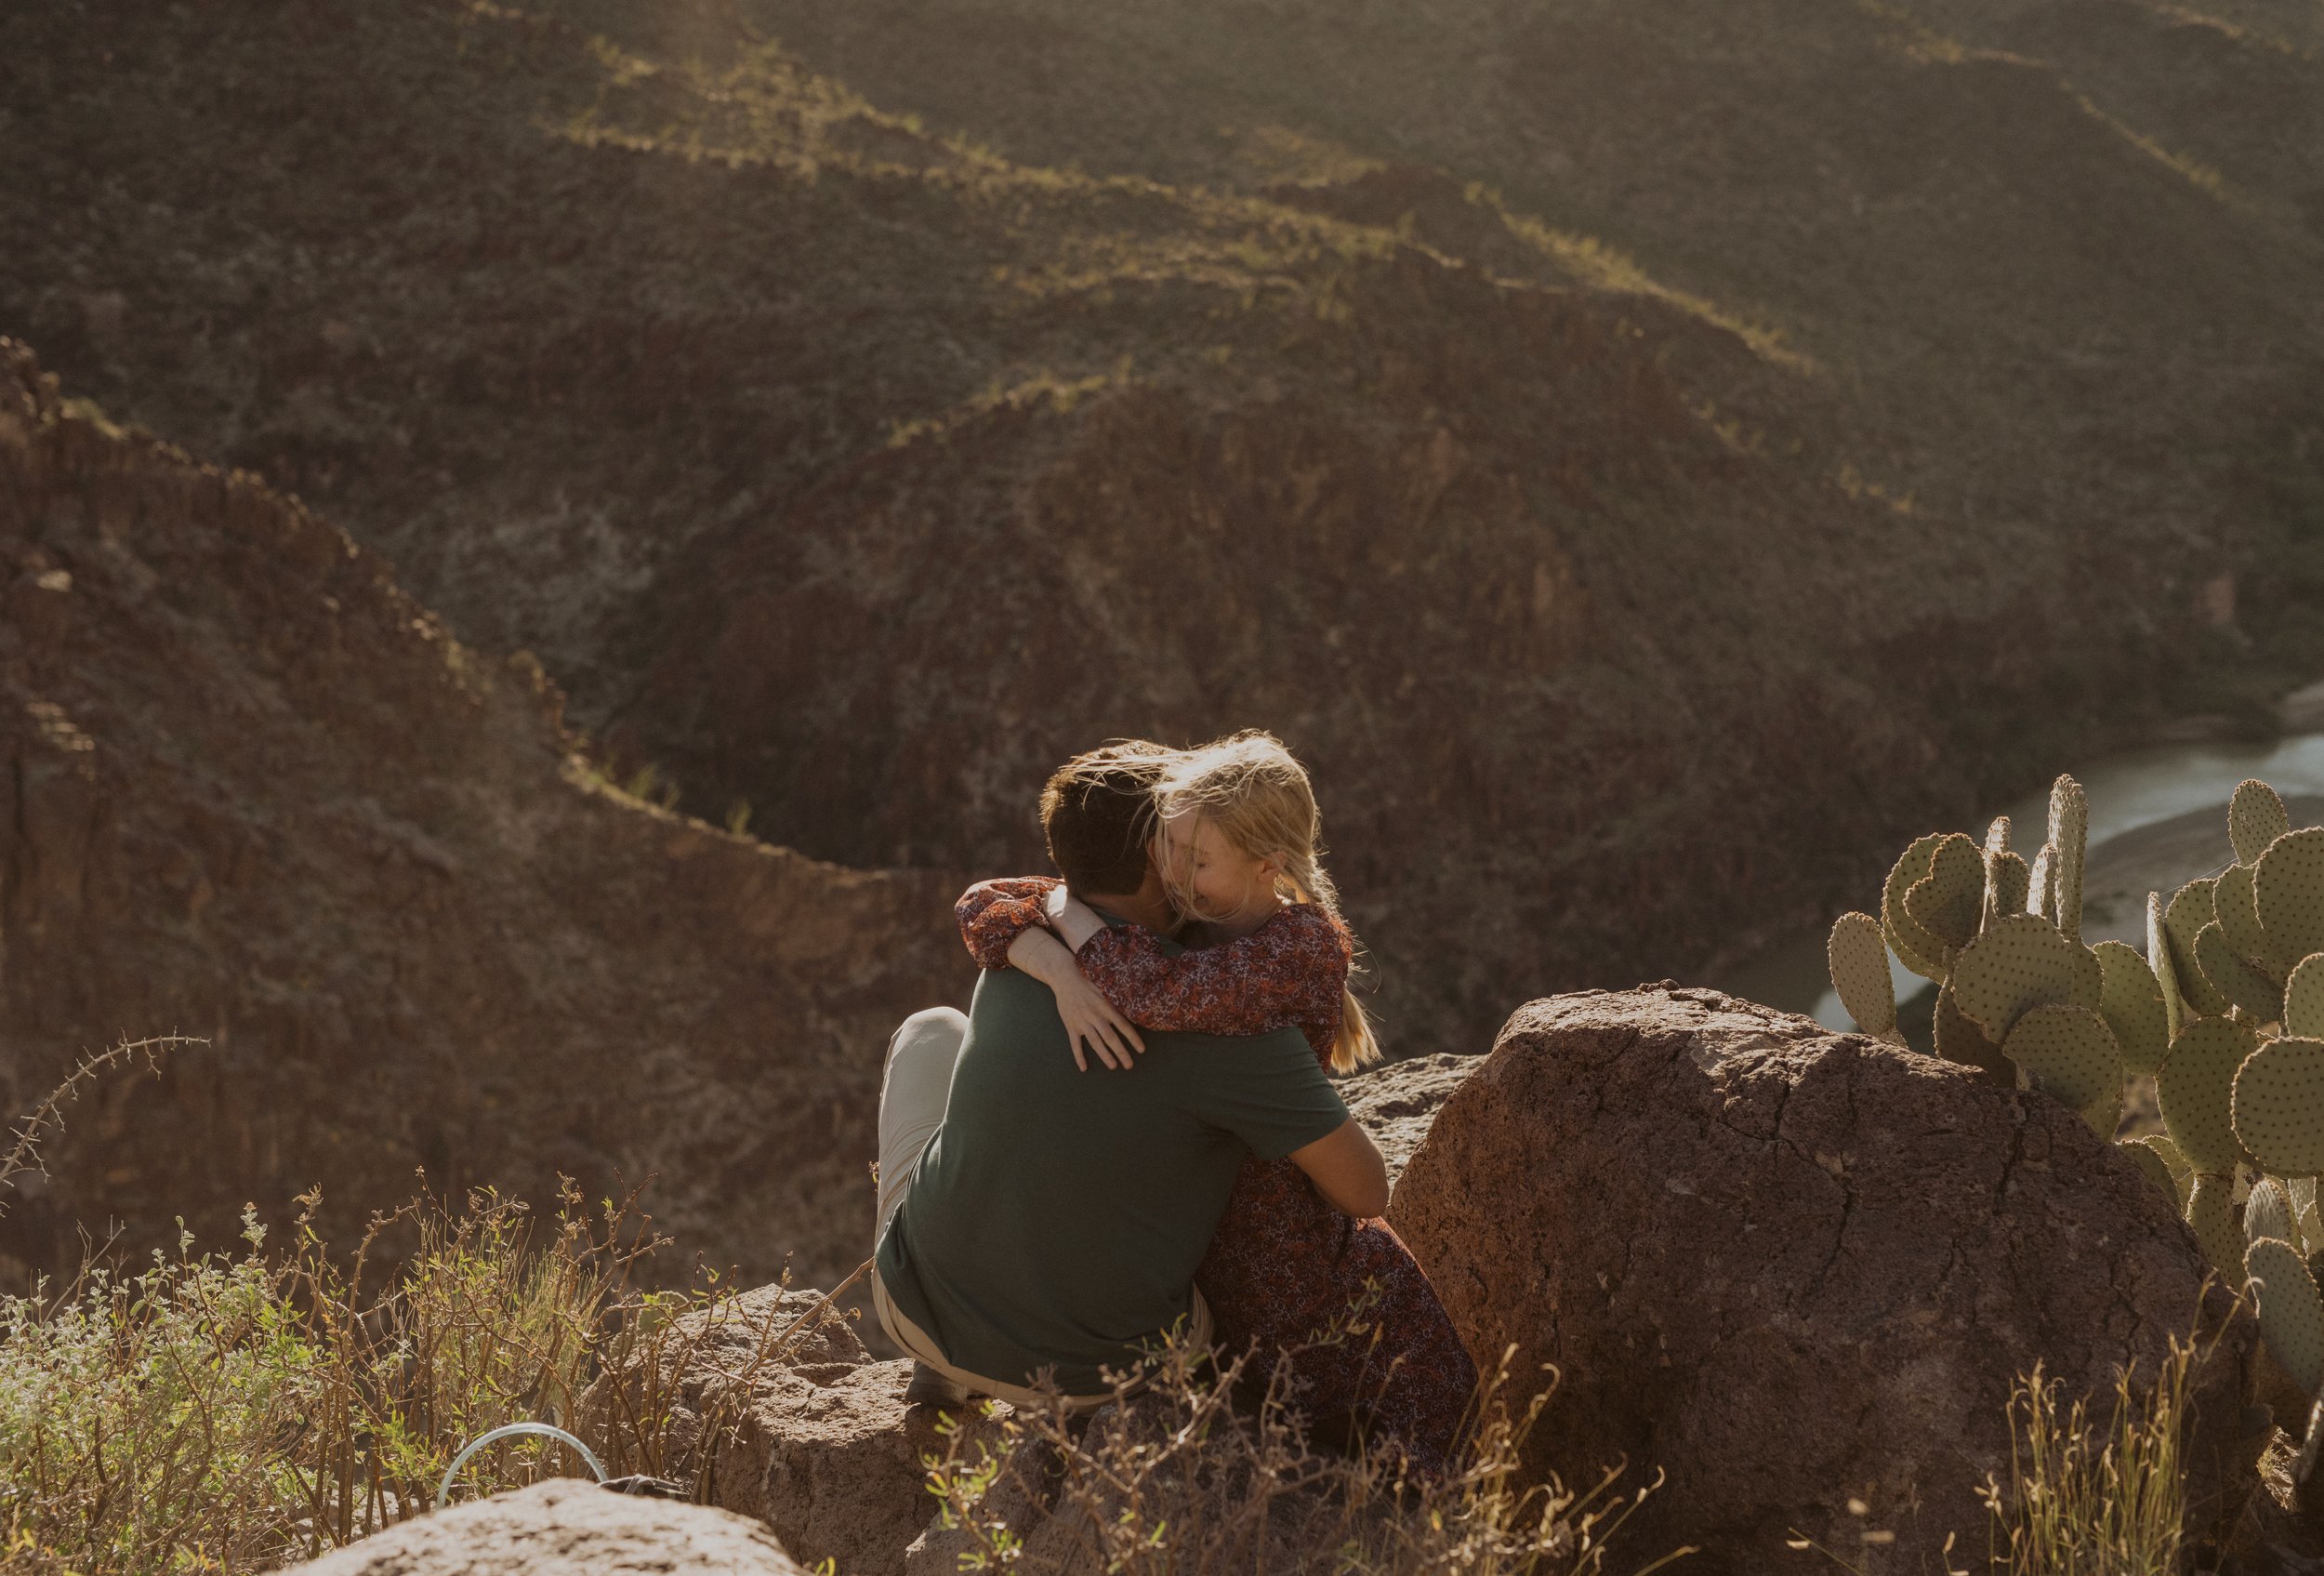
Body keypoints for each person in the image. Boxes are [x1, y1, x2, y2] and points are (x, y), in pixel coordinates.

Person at [955, 731, 1478, 1474]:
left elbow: (1154, 990)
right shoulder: (1194, 916)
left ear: (1268, 864)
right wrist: (1058, 964)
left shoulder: (1294, 951)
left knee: (1430, 1402)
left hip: (1283, 1233)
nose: (1171, 872)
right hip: (1218, 1229)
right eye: (1167, 848)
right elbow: (983, 902)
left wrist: (1067, 926)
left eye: (1195, 859)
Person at [871, 743, 1393, 1410]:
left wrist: (1058, 967)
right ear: (1159, 861)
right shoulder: (1233, 1025)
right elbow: (1366, 1190)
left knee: (928, 1029)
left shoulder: (1018, 943)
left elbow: (998, 900)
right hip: (1096, 1377)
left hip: (917, 1315)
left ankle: (945, 1354)